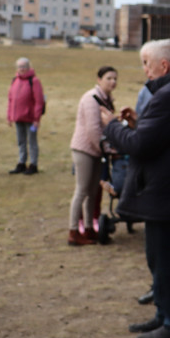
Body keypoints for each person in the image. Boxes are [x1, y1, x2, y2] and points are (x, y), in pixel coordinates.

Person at [101, 39, 170, 338]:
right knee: (158, 255)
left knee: (161, 258)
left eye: (145, 63)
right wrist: (140, 124)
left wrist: (112, 125)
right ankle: (164, 314)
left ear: (164, 65)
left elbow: (140, 146)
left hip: (165, 191)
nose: (144, 70)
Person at [69, 66, 117, 246]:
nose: (113, 82)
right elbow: (93, 130)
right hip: (85, 149)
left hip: (97, 150)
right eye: (108, 78)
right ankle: (74, 231)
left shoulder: (107, 99)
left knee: (93, 191)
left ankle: (89, 228)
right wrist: (107, 150)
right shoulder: (91, 99)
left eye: (115, 78)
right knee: (82, 190)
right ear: (99, 79)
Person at [6, 57, 45, 175]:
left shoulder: (34, 81)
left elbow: (39, 101)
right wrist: (9, 116)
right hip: (18, 117)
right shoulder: (15, 80)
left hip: (31, 119)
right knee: (21, 141)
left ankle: (33, 164)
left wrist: (37, 118)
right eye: (20, 67)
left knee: (32, 142)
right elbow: (11, 100)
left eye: (24, 66)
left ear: (28, 67)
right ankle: (21, 163)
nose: (22, 69)